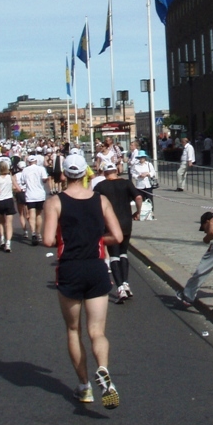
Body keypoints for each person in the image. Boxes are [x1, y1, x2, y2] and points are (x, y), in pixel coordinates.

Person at [43, 153, 124, 409]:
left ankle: (85, 386)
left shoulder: (55, 202)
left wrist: (68, 240)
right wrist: (98, 240)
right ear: (87, 172)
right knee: (97, 331)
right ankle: (103, 368)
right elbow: (117, 236)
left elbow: (46, 240)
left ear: (64, 174)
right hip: (96, 266)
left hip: (70, 268)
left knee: (73, 329)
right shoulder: (101, 200)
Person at [94, 164, 142, 302]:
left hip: (110, 224)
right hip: (126, 222)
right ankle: (126, 283)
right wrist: (138, 212)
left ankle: (120, 287)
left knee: (114, 255)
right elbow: (138, 197)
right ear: (116, 171)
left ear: (104, 172)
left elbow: (94, 202)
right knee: (123, 253)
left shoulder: (100, 186)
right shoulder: (126, 183)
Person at [0, 159, 18, 252]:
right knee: (9, 223)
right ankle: (8, 243)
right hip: (9, 200)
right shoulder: (10, 177)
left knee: (1, 222)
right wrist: (12, 189)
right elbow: (17, 188)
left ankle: (2, 240)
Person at [23, 154, 49, 245]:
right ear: (36, 161)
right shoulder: (41, 169)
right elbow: (45, 179)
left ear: (29, 162)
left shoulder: (25, 170)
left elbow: (23, 181)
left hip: (30, 194)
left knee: (32, 214)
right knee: (38, 215)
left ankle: (33, 232)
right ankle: (38, 234)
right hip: (40, 194)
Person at [130, 150, 156, 219]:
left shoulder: (148, 164)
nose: (142, 159)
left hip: (148, 185)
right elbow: (132, 173)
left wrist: (148, 174)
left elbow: (153, 172)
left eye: (143, 157)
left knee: (150, 199)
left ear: (145, 158)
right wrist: (138, 176)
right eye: (140, 157)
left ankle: (151, 213)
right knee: (140, 200)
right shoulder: (136, 165)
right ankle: (140, 213)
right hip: (140, 185)